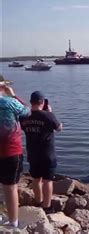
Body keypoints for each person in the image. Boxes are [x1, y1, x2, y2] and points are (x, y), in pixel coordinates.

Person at [20, 91, 62, 213]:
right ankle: (47, 207)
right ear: (42, 102)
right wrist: (50, 112)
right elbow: (59, 128)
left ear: (31, 102)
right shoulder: (48, 115)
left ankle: (38, 202)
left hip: (33, 153)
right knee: (47, 181)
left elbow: (23, 127)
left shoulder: (24, 117)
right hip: (47, 154)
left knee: (36, 179)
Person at [0, 75, 30, 228]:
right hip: (11, 151)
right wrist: (12, 94)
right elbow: (27, 112)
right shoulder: (10, 102)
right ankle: (13, 222)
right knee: (10, 187)